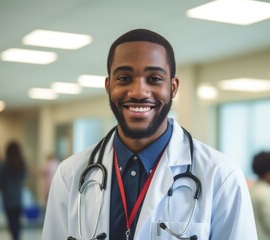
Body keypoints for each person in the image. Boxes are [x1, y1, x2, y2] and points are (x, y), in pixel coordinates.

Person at [42, 29, 257, 240]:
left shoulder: (221, 176)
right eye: (124, 78)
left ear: (173, 88)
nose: (138, 92)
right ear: (108, 87)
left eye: (154, 78)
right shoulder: (70, 175)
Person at [0, 141, 27, 240]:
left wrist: (3, 189)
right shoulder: (21, 163)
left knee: (11, 222)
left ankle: (15, 237)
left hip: (8, 198)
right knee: (17, 222)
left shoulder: (4, 165)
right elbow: (23, 178)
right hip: (18, 198)